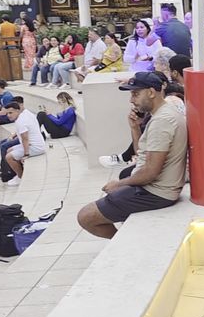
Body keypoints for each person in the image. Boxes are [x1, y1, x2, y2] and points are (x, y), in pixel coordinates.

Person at [77, 72, 188, 239]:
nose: (131, 99)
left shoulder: (162, 121)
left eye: (136, 94)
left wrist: (120, 184)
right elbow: (141, 158)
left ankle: (121, 243)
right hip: (153, 189)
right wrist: (135, 129)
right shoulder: (160, 115)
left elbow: (151, 171)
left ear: (151, 92)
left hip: (156, 193)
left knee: (85, 217)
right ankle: (124, 239)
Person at [3, 102, 47, 186]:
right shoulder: (22, 116)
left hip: (36, 147)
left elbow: (25, 139)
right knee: (9, 150)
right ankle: (18, 173)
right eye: (7, 113)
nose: (8, 115)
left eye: (10, 113)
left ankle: (20, 177)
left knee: (8, 157)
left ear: (17, 111)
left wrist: (26, 154)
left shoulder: (21, 122)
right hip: (33, 144)